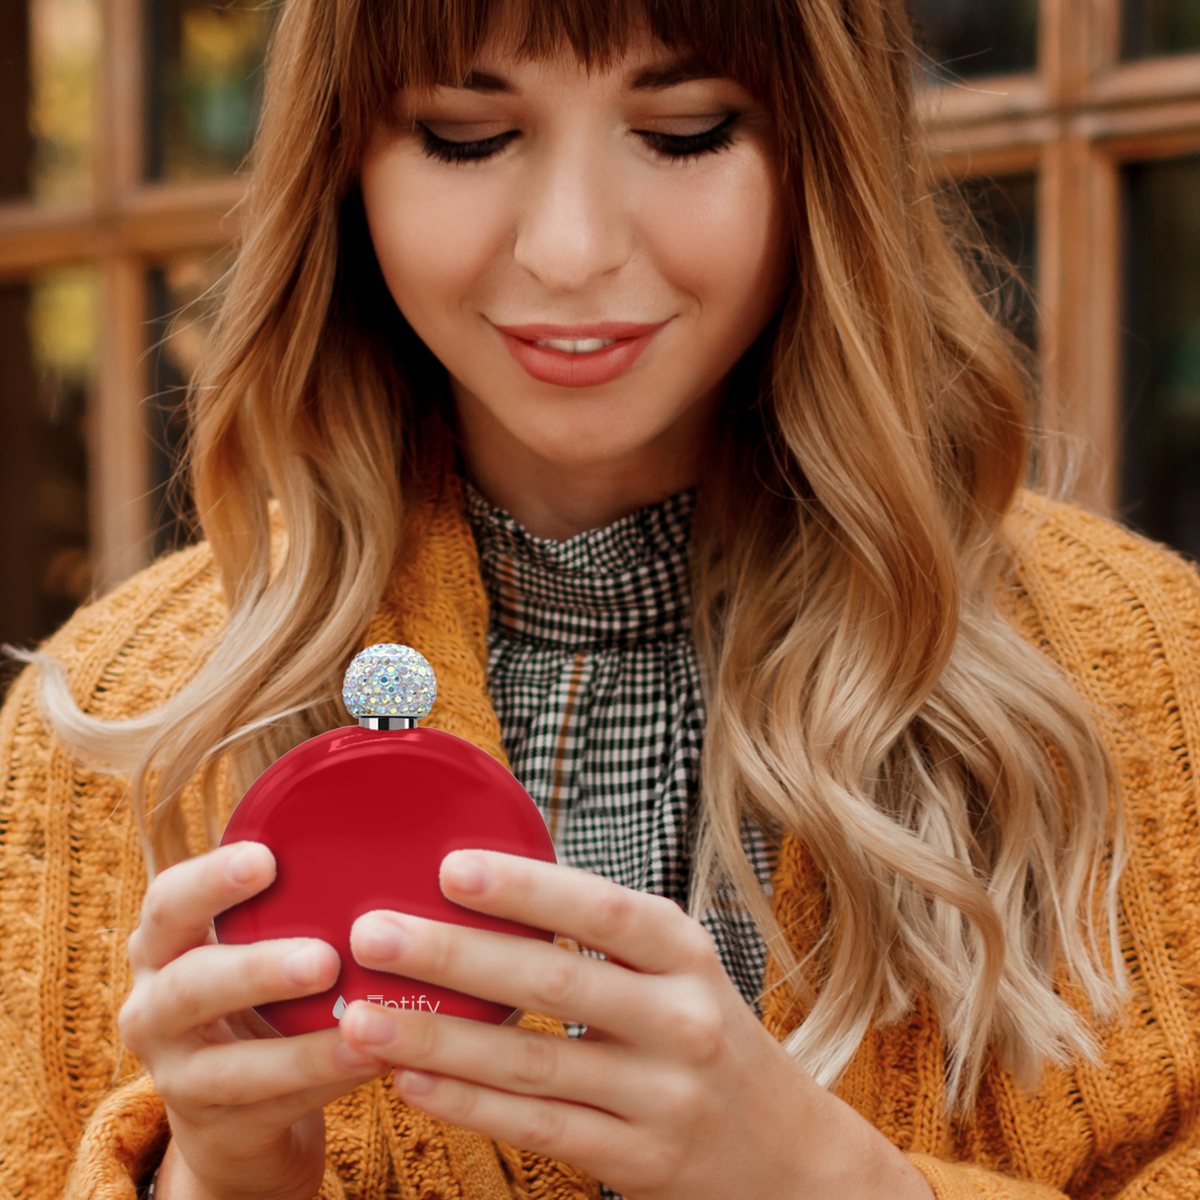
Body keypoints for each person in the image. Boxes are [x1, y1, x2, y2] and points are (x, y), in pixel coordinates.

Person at [3, 0, 1200, 1196]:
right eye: (465, 137)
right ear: (341, 163)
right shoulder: (116, 723)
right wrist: (214, 1180)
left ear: (828, 150)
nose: (569, 251)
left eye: (685, 131)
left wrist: (835, 1181)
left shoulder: (1155, 674)